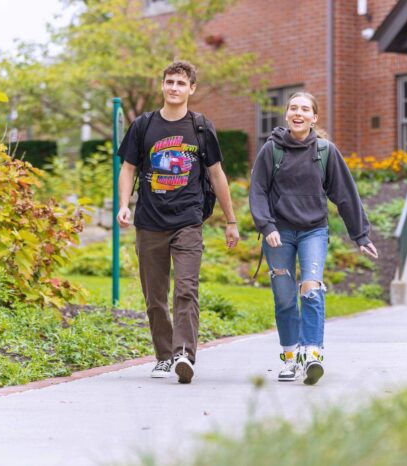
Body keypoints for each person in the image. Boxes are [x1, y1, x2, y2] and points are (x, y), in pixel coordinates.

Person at [117, 60, 239, 384]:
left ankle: (184, 353)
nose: (174, 88)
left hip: (188, 220)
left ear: (191, 89)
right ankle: (163, 355)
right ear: (162, 85)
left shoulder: (201, 127)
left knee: (186, 288)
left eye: (181, 83)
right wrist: (123, 205)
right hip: (149, 221)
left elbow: (216, 174)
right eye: (169, 82)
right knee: (155, 296)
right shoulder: (143, 125)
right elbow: (128, 167)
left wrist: (231, 220)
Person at [249, 92, 378, 385]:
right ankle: (290, 358)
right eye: (293, 108)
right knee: (284, 298)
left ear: (314, 118)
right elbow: (257, 190)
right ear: (286, 114)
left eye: (305, 109)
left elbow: (345, 194)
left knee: (311, 287)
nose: (298, 113)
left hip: (313, 231)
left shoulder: (325, 151)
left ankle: (312, 353)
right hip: (278, 234)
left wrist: (360, 234)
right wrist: (267, 227)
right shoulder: (272, 150)